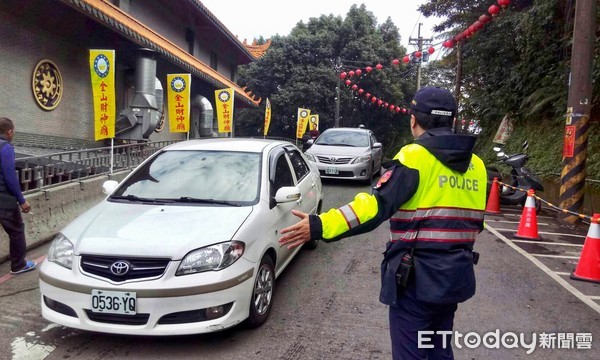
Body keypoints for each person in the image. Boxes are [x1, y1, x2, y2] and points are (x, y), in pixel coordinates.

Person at [279, 87, 487, 359]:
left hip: (417, 279)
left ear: (414, 120)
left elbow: (374, 208)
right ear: (452, 120)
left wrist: (320, 226)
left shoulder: (415, 157)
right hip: (455, 276)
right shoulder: (477, 166)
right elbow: (475, 223)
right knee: (439, 348)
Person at [0, 117, 37, 275]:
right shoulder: (5, 148)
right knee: (16, 231)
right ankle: (19, 265)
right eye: (13, 131)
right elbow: (10, 177)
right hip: (4, 200)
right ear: (9, 132)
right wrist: (22, 200)